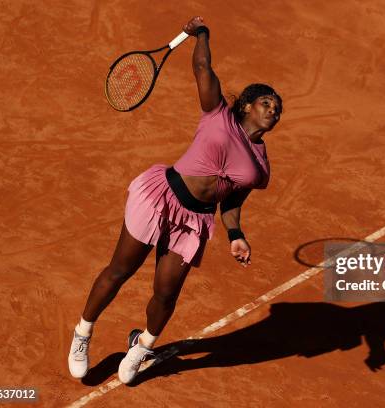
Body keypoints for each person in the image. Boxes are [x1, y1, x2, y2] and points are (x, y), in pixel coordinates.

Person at [67, 16, 282, 384]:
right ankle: (83, 333)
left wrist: (235, 235)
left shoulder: (260, 168)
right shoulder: (217, 113)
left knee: (165, 295)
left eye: (278, 108)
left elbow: (231, 202)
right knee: (119, 270)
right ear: (246, 105)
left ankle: (141, 346)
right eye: (267, 102)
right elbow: (202, 66)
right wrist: (201, 33)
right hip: (160, 198)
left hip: (194, 221)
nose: (274, 110)